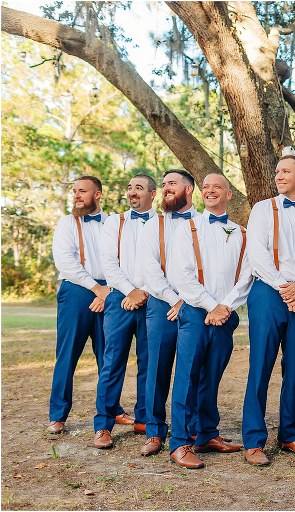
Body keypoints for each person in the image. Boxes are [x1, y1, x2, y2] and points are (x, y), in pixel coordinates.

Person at [241, 155, 295, 466]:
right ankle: (253, 439)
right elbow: (257, 254)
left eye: (286, 171)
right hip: (268, 294)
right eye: (277, 171)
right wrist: (284, 288)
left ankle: (289, 435)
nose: (279, 175)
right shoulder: (263, 209)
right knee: (260, 366)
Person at [166, 173, 252, 469]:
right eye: (206, 188)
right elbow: (182, 276)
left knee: (212, 378)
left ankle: (206, 434)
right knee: (187, 377)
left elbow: (246, 274)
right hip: (195, 312)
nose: (211, 191)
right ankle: (179, 442)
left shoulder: (241, 233)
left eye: (217, 187)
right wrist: (211, 305)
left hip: (225, 316)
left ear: (229, 194)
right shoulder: (187, 228)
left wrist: (225, 306)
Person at [49, 176, 129, 434]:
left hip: (112, 288)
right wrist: (97, 289)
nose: (76, 196)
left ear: (98, 195)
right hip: (77, 291)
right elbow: (66, 263)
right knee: (68, 353)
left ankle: (112, 409)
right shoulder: (67, 223)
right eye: (74, 191)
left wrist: (109, 291)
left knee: (110, 354)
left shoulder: (115, 223)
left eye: (82, 191)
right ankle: (58, 414)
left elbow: (123, 259)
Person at [138, 169, 202, 457]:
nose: (165, 189)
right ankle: (154, 431)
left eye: (171, 184)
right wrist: (175, 299)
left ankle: (190, 428)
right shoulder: (154, 225)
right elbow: (149, 269)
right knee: (157, 369)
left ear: (188, 189)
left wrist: (188, 300)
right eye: (163, 185)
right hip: (162, 304)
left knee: (193, 371)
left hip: (196, 305)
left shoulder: (204, 222)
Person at [93, 174, 156, 449]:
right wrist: (131, 292)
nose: (132, 192)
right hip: (120, 299)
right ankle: (103, 425)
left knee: (150, 362)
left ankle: (144, 418)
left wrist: (146, 293)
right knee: (112, 363)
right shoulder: (114, 222)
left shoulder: (163, 223)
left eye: (138, 188)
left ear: (152, 194)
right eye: (129, 188)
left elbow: (167, 263)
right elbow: (109, 263)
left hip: (154, 299)